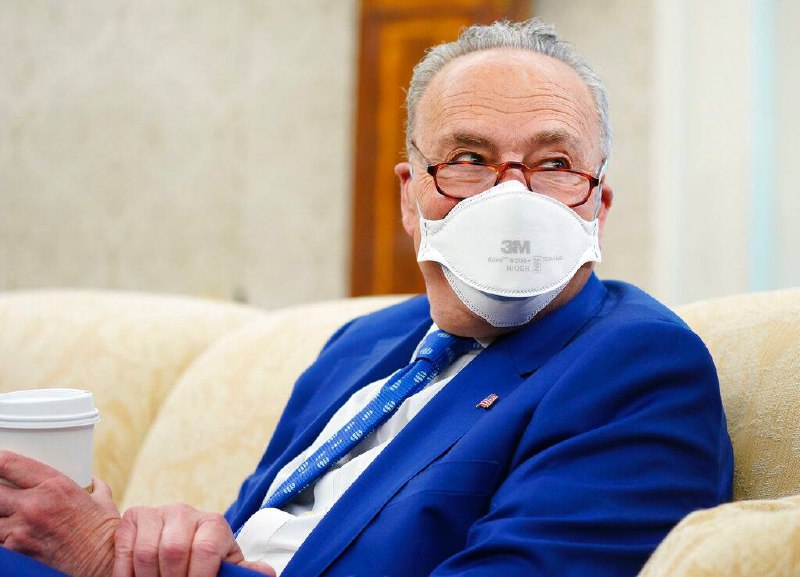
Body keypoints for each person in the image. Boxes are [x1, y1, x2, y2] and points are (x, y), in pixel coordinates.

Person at [0, 18, 733, 577]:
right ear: (411, 198)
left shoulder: (639, 367)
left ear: (598, 205)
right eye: (469, 159)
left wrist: (99, 560)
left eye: (554, 162)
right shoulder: (362, 343)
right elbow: (253, 545)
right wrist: (161, 546)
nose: (514, 197)